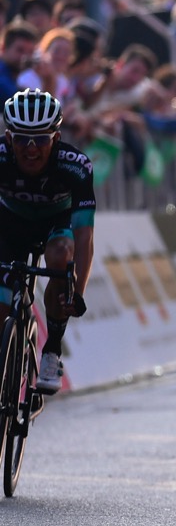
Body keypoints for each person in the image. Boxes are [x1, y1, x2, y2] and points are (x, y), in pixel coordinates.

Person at [1, 88, 94, 393]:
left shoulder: (75, 165)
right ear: (8, 138)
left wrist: (77, 291)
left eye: (41, 139)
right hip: (9, 225)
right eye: (21, 140)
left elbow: (84, 234)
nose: (31, 149)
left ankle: (52, 350)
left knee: (60, 256)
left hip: (56, 224)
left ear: (56, 138)